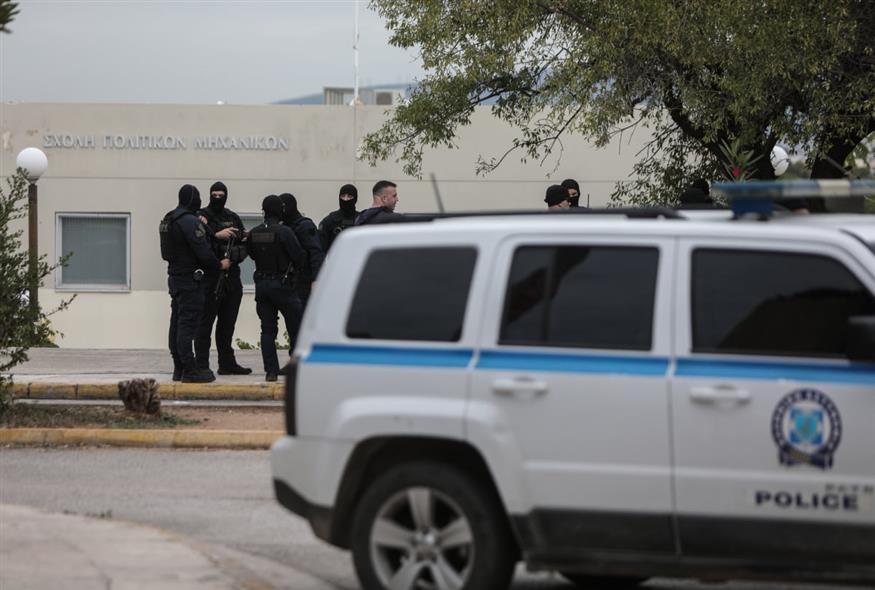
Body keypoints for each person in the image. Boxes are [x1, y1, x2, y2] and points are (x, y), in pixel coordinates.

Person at [159, 184, 230, 383]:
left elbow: (166, 253)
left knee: (177, 323)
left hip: (175, 277)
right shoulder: (189, 221)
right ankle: (190, 369)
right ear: (192, 199)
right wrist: (219, 265)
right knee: (187, 325)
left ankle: (179, 368)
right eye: (197, 197)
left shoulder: (168, 219)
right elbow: (204, 252)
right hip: (191, 280)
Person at [194, 181, 251, 375]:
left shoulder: (232, 217)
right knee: (204, 324)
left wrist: (236, 247)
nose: (218, 198)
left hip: (231, 277)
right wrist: (216, 235)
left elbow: (244, 244)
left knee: (227, 324)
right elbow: (197, 242)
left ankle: (227, 363)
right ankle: (201, 364)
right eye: (214, 195)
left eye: (221, 195)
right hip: (210, 277)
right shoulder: (201, 217)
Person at [247, 195, 305, 382]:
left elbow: (252, 254)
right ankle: (295, 368)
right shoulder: (285, 232)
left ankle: (271, 372)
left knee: (267, 330)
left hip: (262, 286)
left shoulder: (254, 232)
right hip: (283, 286)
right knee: (296, 326)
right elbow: (299, 256)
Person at [279, 192, 325, 309]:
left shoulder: (304, 225)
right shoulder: (284, 227)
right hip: (289, 281)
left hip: (304, 280)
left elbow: (316, 252)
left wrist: (316, 278)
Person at [318, 184, 359, 252]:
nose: (345, 199)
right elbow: (321, 249)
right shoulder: (329, 221)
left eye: (349, 196)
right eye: (343, 196)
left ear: (355, 199)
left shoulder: (361, 219)